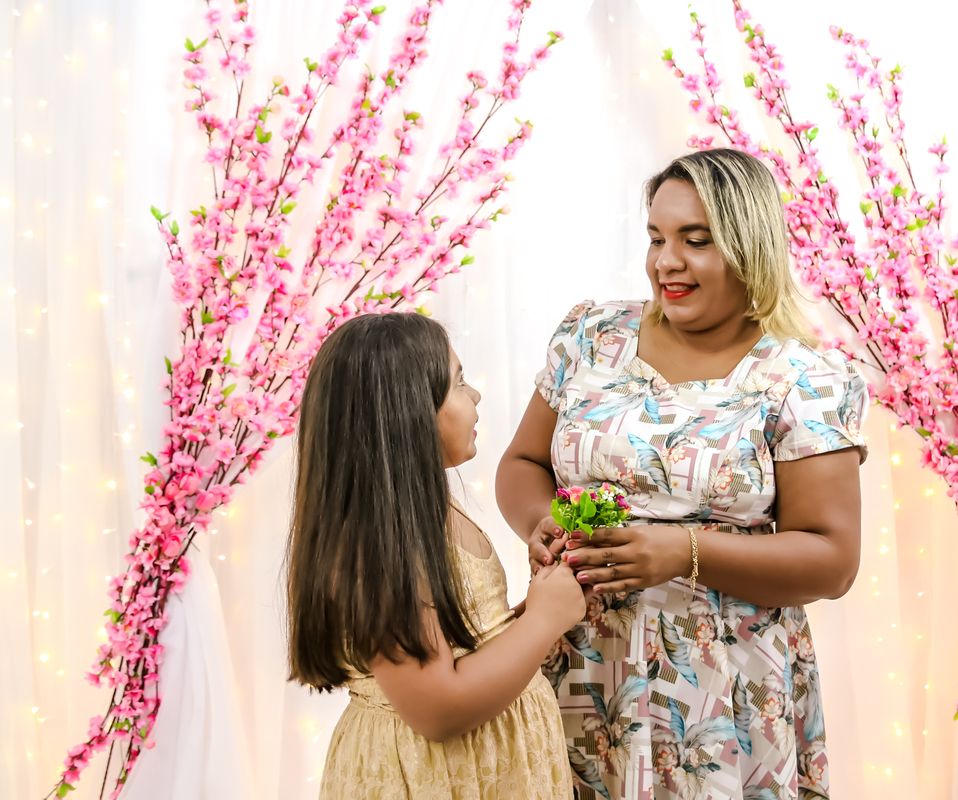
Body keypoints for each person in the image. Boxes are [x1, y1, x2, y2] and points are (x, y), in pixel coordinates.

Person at [496, 148, 868, 800]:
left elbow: (832, 560)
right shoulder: (589, 337)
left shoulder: (804, 378)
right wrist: (542, 520)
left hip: (726, 695)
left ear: (748, 246)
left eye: (695, 241)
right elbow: (523, 462)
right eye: (657, 237)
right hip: (581, 665)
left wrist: (682, 551)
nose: (666, 262)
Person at [286, 312, 584, 800]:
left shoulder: (427, 510)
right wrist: (543, 622)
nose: (476, 395)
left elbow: (452, 645)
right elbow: (437, 708)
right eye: (459, 382)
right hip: (433, 778)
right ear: (407, 413)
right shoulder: (376, 548)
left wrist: (527, 614)